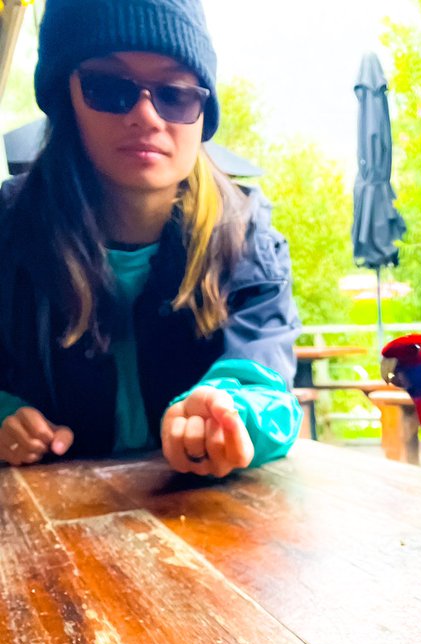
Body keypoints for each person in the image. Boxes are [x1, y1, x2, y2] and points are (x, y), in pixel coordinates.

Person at [0, 0, 303, 476]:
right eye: (109, 87)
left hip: (207, 531)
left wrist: (230, 414)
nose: (145, 114)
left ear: (203, 112)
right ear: (64, 97)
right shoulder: (9, 233)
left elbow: (267, 388)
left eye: (176, 94)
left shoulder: (247, 239)